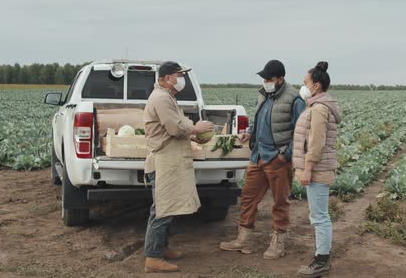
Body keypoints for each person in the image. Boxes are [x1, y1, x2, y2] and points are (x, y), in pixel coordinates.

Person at [220, 59, 305, 260]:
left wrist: (285, 155)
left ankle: (278, 242)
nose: (265, 81)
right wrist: (249, 132)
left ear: (280, 79)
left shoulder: (295, 99)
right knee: (248, 197)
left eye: (269, 78)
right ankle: (243, 239)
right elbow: (260, 120)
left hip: (277, 159)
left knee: (280, 202)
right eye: (264, 78)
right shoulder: (263, 95)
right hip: (258, 155)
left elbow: (301, 132)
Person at [143, 61, 214, 273]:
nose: (181, 78)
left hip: (170, 159)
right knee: (162, 209)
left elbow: (176, 127)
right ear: (166, 78)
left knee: (168, 206)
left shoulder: (167, 97)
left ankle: (161, 248)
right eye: (178, 75)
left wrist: (193, 135)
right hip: (164, 160)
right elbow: (175, 128)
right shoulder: (161, 98)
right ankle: (153, 258)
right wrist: (196, 128)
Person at [293, 61, 341, 276]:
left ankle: (322, 261)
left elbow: (316, 143)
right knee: (319, 215)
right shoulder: (316, 105)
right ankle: (320, 256)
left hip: (318, 170)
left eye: (305, 82)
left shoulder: (320, 108)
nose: (302, 86)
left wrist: (308, 169)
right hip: (318, 168)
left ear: (317, 86)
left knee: (320, 217)